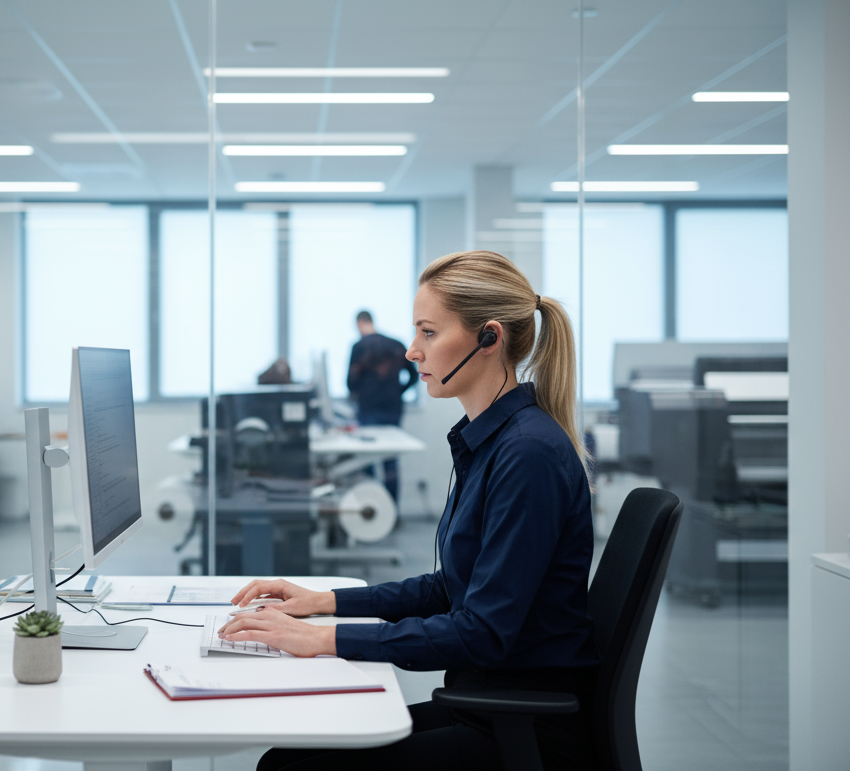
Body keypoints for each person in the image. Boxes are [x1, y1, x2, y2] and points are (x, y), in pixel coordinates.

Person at [220, 251, 599, 771]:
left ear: (489, 339)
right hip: (489, 706)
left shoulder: (526, 454)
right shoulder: (495, 443)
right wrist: (323, 602)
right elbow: (450, 589)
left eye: (427, 332)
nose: (411, 352)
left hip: (523, 730)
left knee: (289, 766)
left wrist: (323, 639)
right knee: (290, 754)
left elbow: (481, 632)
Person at [346, 310, 418, 502]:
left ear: (359, 324)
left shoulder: (359, 347)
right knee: (390, 460)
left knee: (366, 460)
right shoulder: (396, 345)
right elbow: (413, 375)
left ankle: (371, 508)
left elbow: (350, 383)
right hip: (392, 410)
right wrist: (398, 392)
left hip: (368, 409)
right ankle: (392, 512)